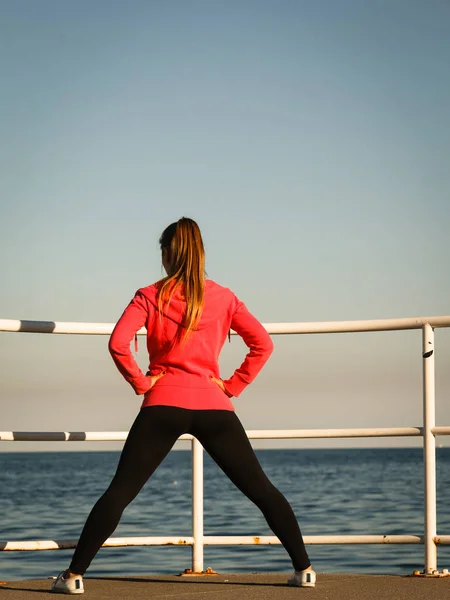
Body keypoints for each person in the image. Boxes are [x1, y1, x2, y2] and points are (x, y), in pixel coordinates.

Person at [51, 217, 315, 594]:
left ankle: (73, 577)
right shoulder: (224, 297)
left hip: (163, 404)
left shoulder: (148, 294)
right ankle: (304, 570)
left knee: (120, 492)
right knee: (261, 489)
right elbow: (263, 344)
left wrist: (142, 382)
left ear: (165, 254)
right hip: (215, 405)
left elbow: (117, 343)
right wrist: (232, 385)